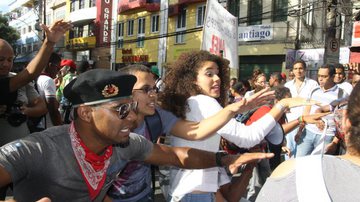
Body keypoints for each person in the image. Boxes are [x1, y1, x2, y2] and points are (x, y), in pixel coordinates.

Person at [0, 69, 273, 202]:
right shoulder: (38, 149)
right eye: (120, 110)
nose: (132, 117)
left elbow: (177, 155)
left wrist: (224, 159)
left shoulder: (125, 144)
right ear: (85, 114)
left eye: (131, 108)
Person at [159, 51, 316, 202]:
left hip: (189, 191)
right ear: (192, 79)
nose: (217, 79)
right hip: (196, 193)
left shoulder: (190, 102)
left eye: (218, 73)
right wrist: (281, 106)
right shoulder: (203, 101)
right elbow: (248, 138)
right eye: (209, 74)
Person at [108, 64, 274, 202]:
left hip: (145, 196)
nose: (153, 95)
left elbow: (196, 132)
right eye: (145, 90)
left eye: (154, 88)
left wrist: (233, 110)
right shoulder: (107, 128)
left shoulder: (158, 116)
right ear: (126, 92)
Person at [256, 82, 360, 202]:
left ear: (345, 121)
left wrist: (300, 119)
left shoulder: (292, 171)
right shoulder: (265, 111)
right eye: (289, 99)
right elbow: (263, 133)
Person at [0, 20, 72, 97]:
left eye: (10, 60)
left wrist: (30, 109)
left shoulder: (12, 78)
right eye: (1, 59)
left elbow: (41, 106)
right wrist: (49, 43)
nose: (5, 64)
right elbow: (28, 74)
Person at [296, 64, 349, 157]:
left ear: (333, 76)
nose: (320, 79)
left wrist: (334, 142)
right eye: (319, 75)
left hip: (327, 136)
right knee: (299, 164)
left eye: (324, 76)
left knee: (321, 167)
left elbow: (342, 121)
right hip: (308, 133)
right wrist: (300, 130)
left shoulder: (342, 94)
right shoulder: (314, 90)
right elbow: (306, 112)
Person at [284, 60, 318, 158]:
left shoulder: (312, 84)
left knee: (302, 156)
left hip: (306, 125)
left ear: (305, 70)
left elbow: (313, 104)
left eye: (300, 68)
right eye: (295, 69)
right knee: (289, 153)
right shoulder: (288, 85)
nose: (298, 71)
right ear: (292, 71)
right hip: (290, 123)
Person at [35, 52, 63, 129]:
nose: (58, 71)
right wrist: (60, 127)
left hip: (36, 124)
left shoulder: (37, 78)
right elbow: (53, 110)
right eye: (58, 68)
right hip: (46, 126)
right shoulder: (48, 80)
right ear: (50, 65)